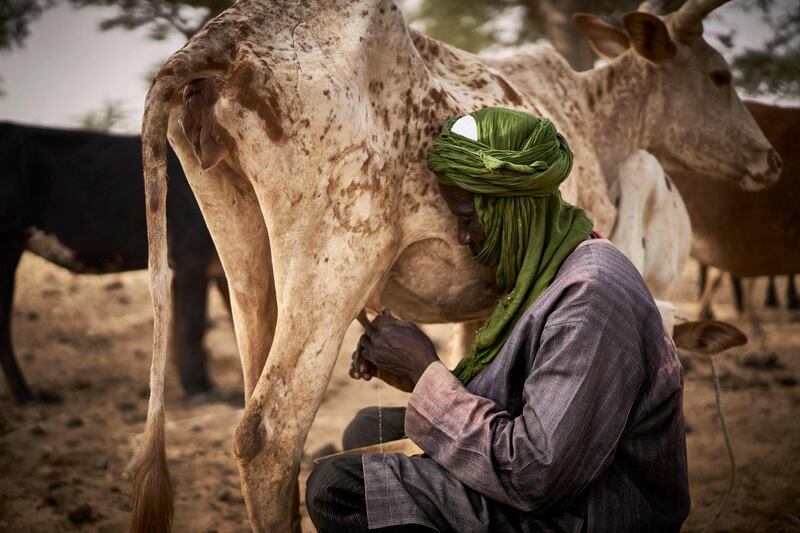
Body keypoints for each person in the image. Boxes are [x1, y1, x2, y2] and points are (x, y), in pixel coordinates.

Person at [305, 108, 690, 532]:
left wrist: (425, 373)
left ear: (511, 209)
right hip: (557, 487)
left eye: (468, 218)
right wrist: (415, 376)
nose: (463, 237)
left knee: (337, 487)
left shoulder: (589, 297)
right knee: (366, 431)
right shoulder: (548, 270)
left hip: (589, 513)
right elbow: (532, 399)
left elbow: (537, 474)